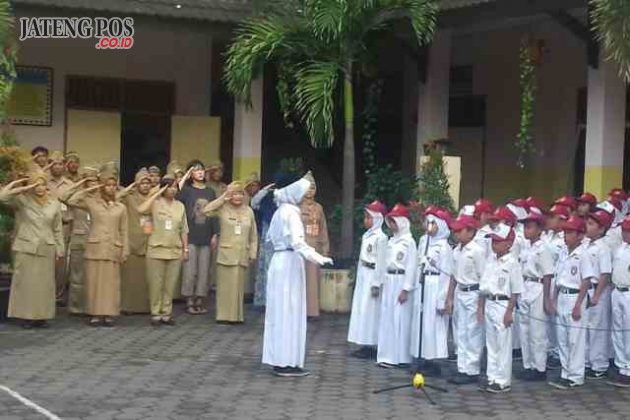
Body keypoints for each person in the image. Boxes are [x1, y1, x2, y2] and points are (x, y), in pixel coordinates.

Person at [262, 172, 333, 377]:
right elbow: (298, 243)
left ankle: (281, 359)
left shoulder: (280, 211)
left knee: (281, 311)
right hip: (290, 262)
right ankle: (287, 362)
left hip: (281, 261)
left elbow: (270, 239)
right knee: (289, 310)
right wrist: (318, 258)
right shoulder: (291, 213)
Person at [63, 162, 129, 327]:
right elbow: (66, 198)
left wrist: (125, 249)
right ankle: (94, 314)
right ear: (102, 186)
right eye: (108, 185)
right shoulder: (92, 203)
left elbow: (124, 230)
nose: (111, 188)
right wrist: (86, 187)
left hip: (113, 248)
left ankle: (108, 314)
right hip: (95, 247)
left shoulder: (121, 207)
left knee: (110, 284)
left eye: (114, 185)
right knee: (94, 282)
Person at [0, 171, 64, 329]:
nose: (39, 188)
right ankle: (26, 316)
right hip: (26, 247)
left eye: (42, 184)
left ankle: (42, 316)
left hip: (46, 247)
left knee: (44, 285)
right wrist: (21, 185)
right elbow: (3, 197)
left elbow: (57, 229)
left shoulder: (54, 204)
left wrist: (60, 248)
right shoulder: (22, 201)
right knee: (26, 283)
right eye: (36, 184)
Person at [548, 216, 596, 389]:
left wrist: (578, 305)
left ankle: (575, 375)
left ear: (580, 235)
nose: (566, 235)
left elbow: (586, 280)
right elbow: (557, 277)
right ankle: (565, 372)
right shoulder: (563, 251)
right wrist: (553, 299)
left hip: (575, 297)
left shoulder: (583, 254)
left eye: (570, 232)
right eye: (565, 232)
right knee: (562, 337)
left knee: (575, 338)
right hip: (562, 295)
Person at [203, 181, 258, 323]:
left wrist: (253, 253)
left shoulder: (248, 211)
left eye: (240, 193)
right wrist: (223, 199)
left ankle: (237, 316)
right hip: (226, 254)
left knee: (238, 288)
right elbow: (206, 210)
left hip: (242, 254)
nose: (238, 197)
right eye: (234, 193)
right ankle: (223, 316)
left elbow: (253, 236)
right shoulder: (223, 208)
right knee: (225, 286)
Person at [138, 174, 189, 326]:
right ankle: (155, 313)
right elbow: (140, 209)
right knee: (155, 284)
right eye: (170, 187)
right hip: (156, 248)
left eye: (175, 187)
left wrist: (185, 249)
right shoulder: (155, 203)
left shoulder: (180, 206)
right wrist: (156, 194)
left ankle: (167, 313)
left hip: (174, 249)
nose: (173, 190)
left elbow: (184, 229)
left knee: (170, 285)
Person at [479, 223, 523, 393]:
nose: (494, 244)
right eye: (493, 241)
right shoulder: (490, 259)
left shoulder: (512, 263)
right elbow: (483, 285)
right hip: (490, 301)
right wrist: (481, 307)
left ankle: (503, 380)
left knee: (503, 344)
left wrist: (509, 311)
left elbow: (516, 290)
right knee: (491, 343)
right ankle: (492, 376)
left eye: (498, 241)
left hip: (503, 304)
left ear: (508, 244)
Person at [410, 207, 453, 376]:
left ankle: (433, 360)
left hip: (436, 285)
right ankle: (422, 356)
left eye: (434, 223)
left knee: (433, 324)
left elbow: (447, 274)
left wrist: (442, 299)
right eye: (428, 222)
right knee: (422, 323)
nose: (430, 226)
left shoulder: (444, 247)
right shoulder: (424, 241)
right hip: (423, 283)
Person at [446, 214, 486, 384]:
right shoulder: (457, 250)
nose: (456, 234)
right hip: (461, 292)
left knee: (473, 332)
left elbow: (483, 277)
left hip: (474, 293)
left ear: (470, 232)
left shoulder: (477, 251)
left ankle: (472, 369)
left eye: (459, 231)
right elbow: (453, 276)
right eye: (454, 231)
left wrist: (481, 304)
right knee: (460, 331)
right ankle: (462, 367)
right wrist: (449, 297)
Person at [376, 203, 417, 368]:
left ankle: (400, 356)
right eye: (390, 221)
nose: (392, 225)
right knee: (387, 317)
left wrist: (406, 288)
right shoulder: (391, 241)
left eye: (394, 221)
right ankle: (386, 354)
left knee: (400, 319)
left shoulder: (409, 242)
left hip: (400, 281)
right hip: (389, 280)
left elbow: (412, 266)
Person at [177, 160, 219, 314]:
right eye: (196, 170)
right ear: (191, 173)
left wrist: (215, 233)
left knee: (204, 270)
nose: (200, 172)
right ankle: (189, 300)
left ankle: (200, 300)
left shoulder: (210, 192)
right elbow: (175, 191)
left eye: (202, 170)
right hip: (190, 235)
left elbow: (214, 213)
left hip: (206, 235)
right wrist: (186, 175)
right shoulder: (187, 191)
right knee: (190, 270)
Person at [347, 200, 387, 359]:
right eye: (365, 217)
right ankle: (363, 342)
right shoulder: (366, 236)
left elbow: (381, 262)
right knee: (362, 310)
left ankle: (372, 343)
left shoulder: (381, 238)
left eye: (369, 218)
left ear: (377, 219)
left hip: (372, 275)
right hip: (364, 273)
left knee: (371, 311)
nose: (366, 221)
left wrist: (377, 283)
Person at [518, 211, 554, 381]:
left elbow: (547, 274)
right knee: (524, 329)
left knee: (537, 332)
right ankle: (528, 365)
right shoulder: (527, 247)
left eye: (530, 227)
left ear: (540, 229)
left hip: (539, 287)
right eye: (525, 227)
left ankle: (539, 367)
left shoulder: (544, 248)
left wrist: (547, 299)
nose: (526, 230)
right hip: (526, 286)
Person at [584, 209, 614, 379]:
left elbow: (605, 274)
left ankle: (599, 364)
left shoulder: (603, 248)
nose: (587, 227)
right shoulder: (587, 245)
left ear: (602, 229)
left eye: (591, 224)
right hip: (587, 289)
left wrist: (597, 295)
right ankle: (588, 361)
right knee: (587, 327)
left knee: (597, 328)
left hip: (597, 290)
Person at [117, 168, 152, 314]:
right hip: (131, 241)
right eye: (142, 183)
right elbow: (116, 197)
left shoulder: (153, 198)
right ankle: (128, 307)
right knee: (130, 279)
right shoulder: (129, 197)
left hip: (148, 241)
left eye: (147, 183)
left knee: (146, 279)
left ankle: (144, 307)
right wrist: (130, 187)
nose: (145, 185)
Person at [66, 165, 99, 315]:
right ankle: (75, 307)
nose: (93, 184)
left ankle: (90, 306)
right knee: (77, 276)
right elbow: (64, 197)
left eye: (95, 181)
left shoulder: (100, 198)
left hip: (95, 241)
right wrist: (81, 185)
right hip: (79, 240)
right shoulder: (79, 197)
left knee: (92, 277)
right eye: (89, 181)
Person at [542, 203, 570, 370]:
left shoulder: (563, 239)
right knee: (549, 321)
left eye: (553, 217)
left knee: (558, 319)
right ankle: (552, 350)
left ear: (562, 219)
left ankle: (559, 353)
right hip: (547, 280)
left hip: (557, 278)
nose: (548, 219)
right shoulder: (548, 236)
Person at [299, 172, 330, 318]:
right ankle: (299, 310)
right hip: (301, 247)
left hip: (315, 246)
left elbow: (323, 228)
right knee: (300, 279)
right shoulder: (296, 207)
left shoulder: (319, 207)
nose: (310, 191)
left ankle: (311, 311)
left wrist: (325, 248)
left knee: (313, 280)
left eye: (313, 188)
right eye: (307, 188)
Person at [47, 151, 73, 304]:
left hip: (64, 226)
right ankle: (46, 293)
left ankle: (59, 294)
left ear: (65, 166)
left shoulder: (70, 185)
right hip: (45, 226)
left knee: (61, 262)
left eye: (60, 164)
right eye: (54, 163)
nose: (57, 166)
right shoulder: (43, 183)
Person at [609, 215, 630, 388]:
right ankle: (621, 366)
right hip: (617, 290)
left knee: (628, 332)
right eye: (623, 230)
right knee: (617, 330)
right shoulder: (621, 247)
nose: (625, 233)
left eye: (628, 230)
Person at [251, 179, 278, 307]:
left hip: (280, 244)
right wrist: (265, 190)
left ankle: (273, 301)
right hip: (266, 242)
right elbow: (254, 202)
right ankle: (264, 300)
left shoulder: (286, 204)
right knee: (265, 271)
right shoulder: (267, 200)